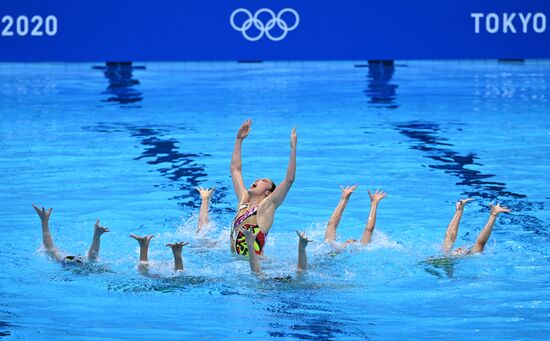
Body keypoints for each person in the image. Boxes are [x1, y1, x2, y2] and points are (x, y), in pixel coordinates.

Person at [229, 119, 297, 256]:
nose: (256, 180)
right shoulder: (243, 203)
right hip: (235, 266)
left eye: (263, 181)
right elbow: (235, 169)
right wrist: (239, 139)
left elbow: (289, 180)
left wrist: (293, 148)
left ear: (267, 193)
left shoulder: (266, 207)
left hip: (256, 271)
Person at [32, 204, 110, 264]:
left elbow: (49, 248)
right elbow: (49, 248)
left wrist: (44, 222)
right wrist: (44, 222)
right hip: (71, 261)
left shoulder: (63, 262)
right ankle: (96, 235)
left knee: (91, 261)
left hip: (69, 261)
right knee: (91, 261)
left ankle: (96, 235)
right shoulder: (69, 262)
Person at [441, 199, 511, 256]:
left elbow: (481, 243)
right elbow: (449, 238)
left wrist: (493, 216)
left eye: (462, 250)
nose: (459, 248)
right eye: (462, 249)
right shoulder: (446, 254)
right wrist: (458, 211)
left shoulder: (468, 256)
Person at [323, 186, 388, 245]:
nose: (349, 240)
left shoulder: (331, 245)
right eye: (352, 240)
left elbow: (369, 229)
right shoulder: (332, 245)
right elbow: (369, 229)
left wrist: (344, 199)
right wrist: (374, 204)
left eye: (352, 241)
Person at [241, 226, 311, 276]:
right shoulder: (294, 284)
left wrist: (249, 242)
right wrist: (302, 247)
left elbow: (256, 271)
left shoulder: (267, 284)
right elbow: (301, 270)